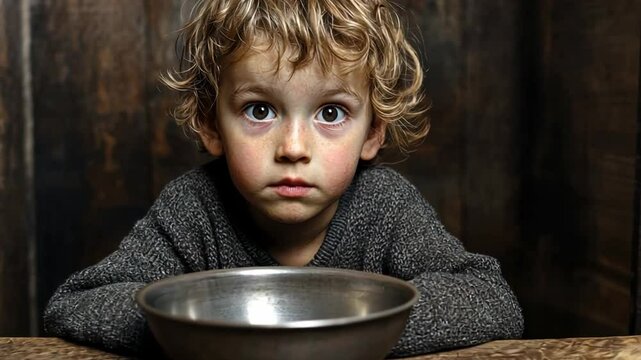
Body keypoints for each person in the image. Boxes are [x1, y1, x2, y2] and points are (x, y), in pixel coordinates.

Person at [43, 0, 524, 357]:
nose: (293, 148)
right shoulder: (193, 208)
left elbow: (490, 299)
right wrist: (212, 325)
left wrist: (343, 332)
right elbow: (74, 304)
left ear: (373, 132)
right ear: (212, 124)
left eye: (331, 112)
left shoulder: (385, 206)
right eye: (260, 109)